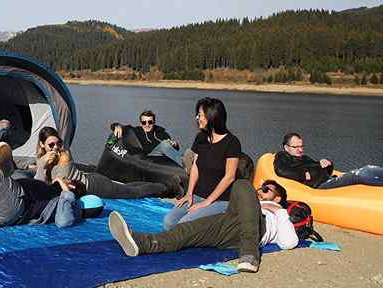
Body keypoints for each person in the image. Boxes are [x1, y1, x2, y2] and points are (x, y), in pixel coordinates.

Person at [108, 179, 298, 273]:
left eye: (266, 190)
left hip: (256, 228)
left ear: (279, 197)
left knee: (242, 183)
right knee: (185, 231)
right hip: (228, 223)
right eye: (261, 187)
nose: (260, 190)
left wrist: (280, 211)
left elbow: (289, 242)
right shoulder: (253, 200)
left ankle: (249, 255)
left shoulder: (277, 213)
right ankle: (142, 243)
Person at [163, 97, 242, 230]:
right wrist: (189, 194)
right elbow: (195, 166)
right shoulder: (201, 138)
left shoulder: (232, 142)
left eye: (200, 115)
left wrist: (207, 202)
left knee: (184, 226)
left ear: (212, 116)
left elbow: (229, 177)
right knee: (168, 222)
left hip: (220, 200)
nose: (197, 118)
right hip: (197, 196)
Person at [35, 127, 174, 199]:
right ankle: (159, 185)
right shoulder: (42, 158)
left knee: (132, 192)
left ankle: (166, 187)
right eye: (51, 145)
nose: (56, 148)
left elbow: (60, 187)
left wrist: (43, 167)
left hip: (95, 186)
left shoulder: (64, 155)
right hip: (88, 180)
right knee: (127, 187)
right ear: (42, 145)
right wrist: (42, 164)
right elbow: (42, 183)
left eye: (58, 143)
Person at [274, 132, 383, 189]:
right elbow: (281, 170)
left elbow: (323, 170)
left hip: (328, 179)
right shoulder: (282, 156)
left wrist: (328, 164)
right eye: (296, 147)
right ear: (286, 147)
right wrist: (303, 174)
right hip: (321, 186)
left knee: (369, 167)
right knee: (358, 174)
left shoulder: (304, 157)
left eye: (301, 146)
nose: (300, 149)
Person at [111, 110, 182, 164]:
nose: (147, 125)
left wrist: (175, 144)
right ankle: (184, 165)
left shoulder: (162, 132)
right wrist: (117, 126)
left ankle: (187, 160)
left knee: (168, 144)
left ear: (154, 122)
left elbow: (174, 149)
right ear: (141, 123)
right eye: (144, 122)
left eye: (150, 122)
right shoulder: (137, 131)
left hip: (164, 158)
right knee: (165, 144)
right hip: (150, 157)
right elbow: (123, 127)